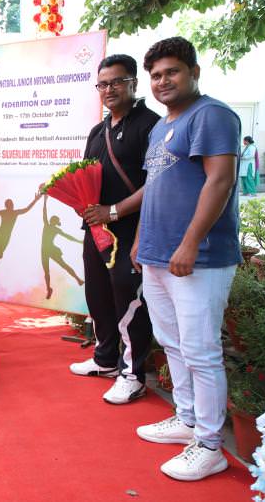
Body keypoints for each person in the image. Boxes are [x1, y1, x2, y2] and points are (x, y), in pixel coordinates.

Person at [133, 37, 241, 481]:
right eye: (156, 75)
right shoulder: (162, 126)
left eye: (172, 72)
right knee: (172, 342)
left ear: (194, 72)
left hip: (199, 259)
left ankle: (211, 446)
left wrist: (191, 242)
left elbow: (220, 181)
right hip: (158, 255)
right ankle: (188, 418)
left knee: (200, 350)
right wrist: (140, 241)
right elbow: (155, 187)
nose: (163, 81)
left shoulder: (211, 115)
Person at [70, 54, 159, 405]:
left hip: (132, 230)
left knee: (129, 300)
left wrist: (114, 211)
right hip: (96, 230)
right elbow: (86, 177)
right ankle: (105, 358)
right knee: (98, 295)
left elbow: (157, 183)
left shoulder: (150, 126)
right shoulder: (98, 131)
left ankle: (133, 375)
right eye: (103, 84)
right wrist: (81, 202)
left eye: (117, 82)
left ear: (133, 83)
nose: (109, 89)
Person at [0, 196, 40, 283]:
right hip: (0, 235)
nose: (11, 205)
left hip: (6, 237)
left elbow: (27, 209)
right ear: (6, 206)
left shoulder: (15, 212)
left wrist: (35, 200)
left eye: (12, 204)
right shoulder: (5, 212)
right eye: (10, 204)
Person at [41, 195, 84, 298]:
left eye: (53, 220)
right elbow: (44, 213)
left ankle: (78, 279)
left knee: (63, 266)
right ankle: (49, 289)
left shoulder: (54, 229)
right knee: (47, 271)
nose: (51, 220)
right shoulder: (47, 225)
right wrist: (45, 201)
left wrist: (79, 241)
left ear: (54, 222)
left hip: (49, 250)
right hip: (45, 250)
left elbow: (68, 237)